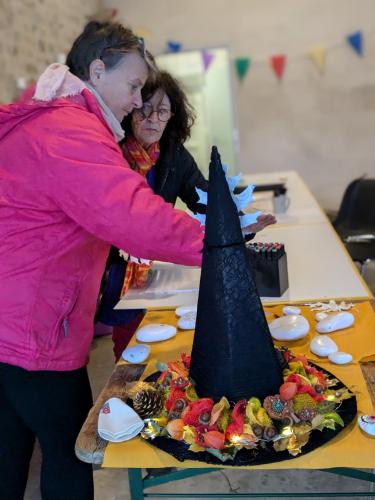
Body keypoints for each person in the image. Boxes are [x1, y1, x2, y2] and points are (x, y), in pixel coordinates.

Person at [0, 22, 204, 500]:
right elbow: (131, 215)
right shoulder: (70, 129)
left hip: (13, 319)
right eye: (134, 86)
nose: (137, 101)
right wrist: (217, 242)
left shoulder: (44, 117)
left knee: (9, 454)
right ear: (96, 70)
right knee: (71, 454)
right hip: (36, 328)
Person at [95, 70, 276, 360]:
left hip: (149, 268)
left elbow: (205, 197)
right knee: (128, 348)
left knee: (155, 338)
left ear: (172, 117)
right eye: (145, 109)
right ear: (130, 109)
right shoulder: (109, 151)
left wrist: (241, 224)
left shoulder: (173, 155)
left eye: (162, 111)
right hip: (110, 265)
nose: (153, 119)